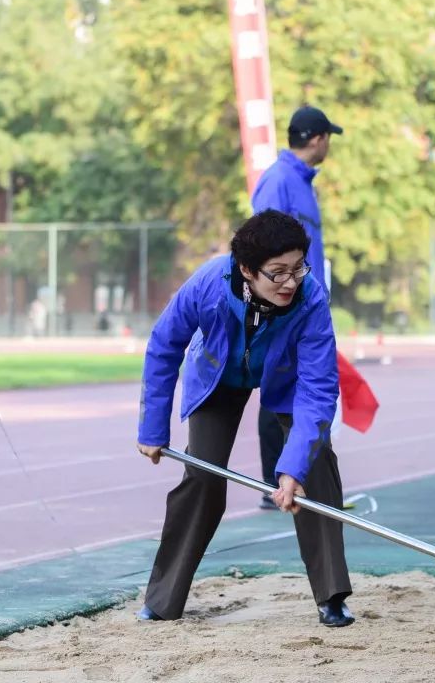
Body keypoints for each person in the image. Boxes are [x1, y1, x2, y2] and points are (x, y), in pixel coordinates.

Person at [135, 209, 355, 628]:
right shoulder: (208, 285)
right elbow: (164, 346)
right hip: (218, 375)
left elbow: (319, 389)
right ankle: (163, 599)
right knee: (202, 476)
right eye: (278, 273)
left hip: (286, 380)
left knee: (316, 464)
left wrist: (291, 468)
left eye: (298, 268)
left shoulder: (311, 300)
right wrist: (152, 428)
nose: (292, 281)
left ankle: (332, 596)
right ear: (247, 270)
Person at [250, 105, 342, 509]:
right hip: (285, 303)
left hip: (308, 302)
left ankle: (298, 476)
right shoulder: (278, 181)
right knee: (278, 387)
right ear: (318, 138)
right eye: (329, 138)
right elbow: (263, 244)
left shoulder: (304, 183)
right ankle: (275, 484)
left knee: (309, 386)